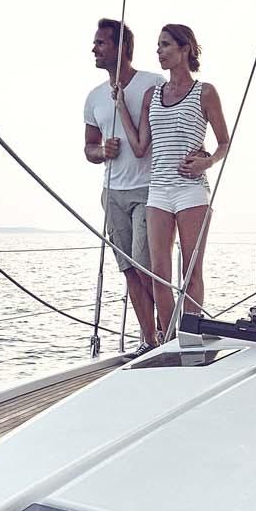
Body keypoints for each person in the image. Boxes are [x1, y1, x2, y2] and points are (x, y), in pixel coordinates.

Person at [115, 23, 229, 337]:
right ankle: (168, 340)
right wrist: (121, 106)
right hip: (158, 192)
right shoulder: (152, 95)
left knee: (190, 272)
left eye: (165, 45)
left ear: (185, 48)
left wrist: (208, 161)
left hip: (191, 190)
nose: (159, 51)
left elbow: (224, 142)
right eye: (158, 45)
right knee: (158, 274)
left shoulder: (205, 92)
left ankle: (189, 339)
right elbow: (140, 146)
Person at [83, 18, 162, 349]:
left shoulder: (152, 83)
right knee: (129, 269)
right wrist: (102, 151)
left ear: (122, 48)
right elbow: (88, 148)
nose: (94, 49)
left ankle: (167, 331)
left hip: (149, 189)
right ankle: (149, 342)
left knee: (147, 268)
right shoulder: (94, 97)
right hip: (113, 193)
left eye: (101, 43)